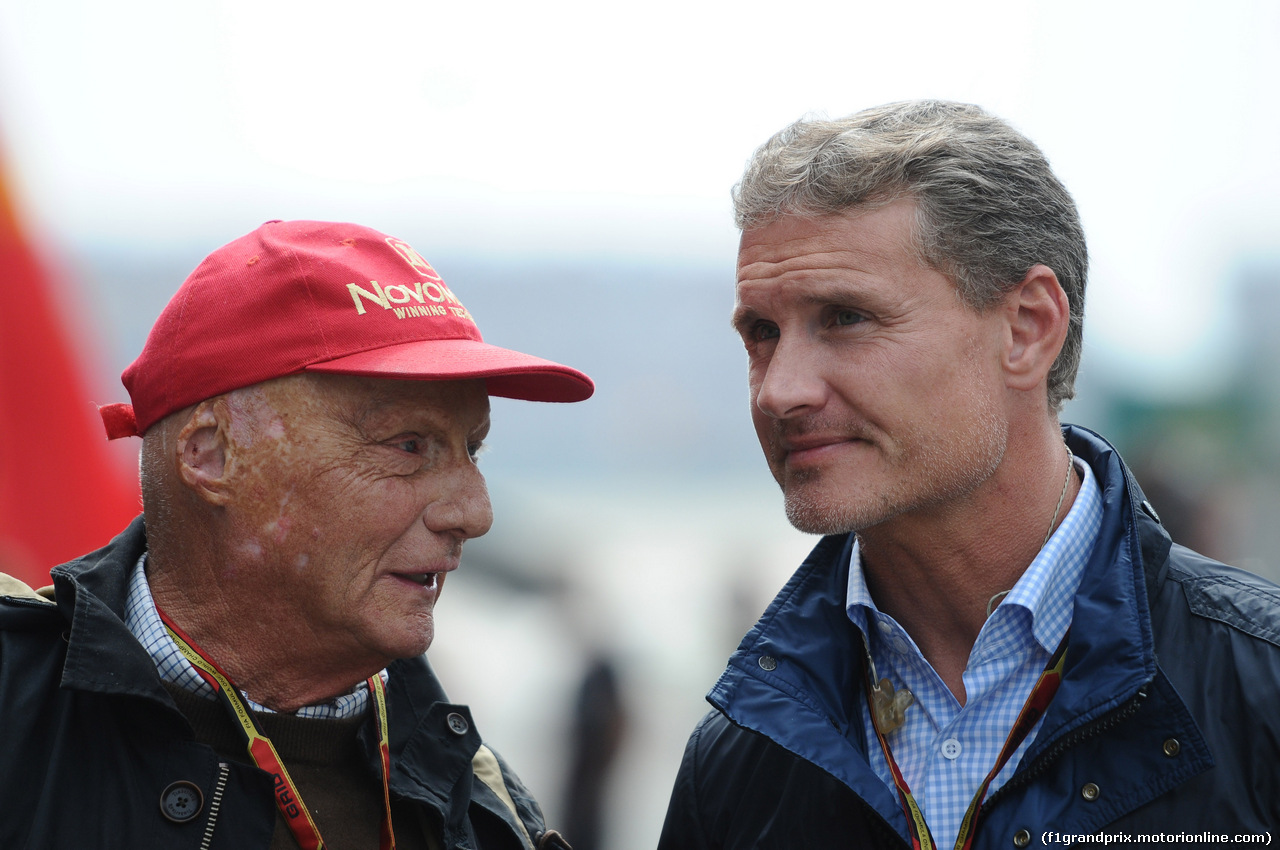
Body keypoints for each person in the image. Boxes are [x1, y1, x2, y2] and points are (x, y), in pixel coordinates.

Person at [659, 101, 1280, 849]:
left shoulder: (1261, 688)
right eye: (763, 333)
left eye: (846, 317)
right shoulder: (737, 760)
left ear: (1028, 328)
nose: (779, 389)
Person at [0, 220, 593, 850]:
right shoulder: (16, 714)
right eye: (408, 445)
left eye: (472, 449)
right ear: (212, 456)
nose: (474, 513)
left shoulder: (483, 803)